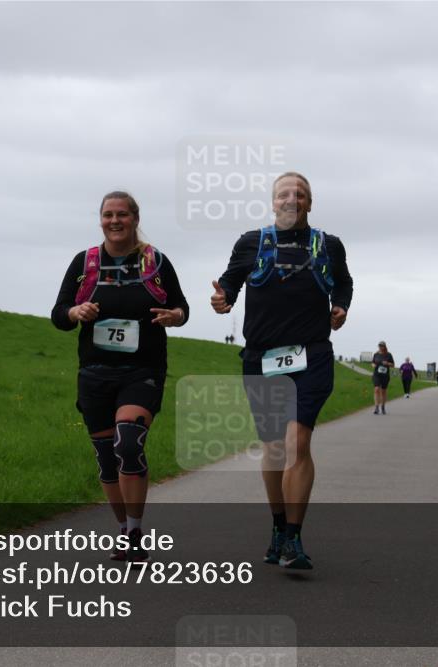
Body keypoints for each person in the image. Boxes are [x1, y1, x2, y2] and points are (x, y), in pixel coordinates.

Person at [211, 171, 353, 570]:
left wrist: (340, 306)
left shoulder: (329, 245)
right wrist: (222, 300)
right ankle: (277, 527)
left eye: (302, 193)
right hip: (262, 359)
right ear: (273, 202)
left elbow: (343, 283)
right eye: (285, 193)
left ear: (310, 202)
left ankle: (293, 537)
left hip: (312, 356)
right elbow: (229, 284)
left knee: (297, 443)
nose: (293, 198)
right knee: (274, 448)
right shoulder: (251, 243)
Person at [52, 191, 189, 565]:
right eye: (108, 215)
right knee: (106, 459)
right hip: (95, 373)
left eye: (122, 215)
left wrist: (174, 317)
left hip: (142, 371)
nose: (115, 221)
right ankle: (124, 531)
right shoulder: (85, 263)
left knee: (128, 443)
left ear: (135, 218)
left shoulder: (155, 262)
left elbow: (181, 307)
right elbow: (58, 313)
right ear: (100, 220)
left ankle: (134, 529)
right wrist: (76, 311)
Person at [371, 341, 395, 414]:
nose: (381, 347)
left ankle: (383, 407)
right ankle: (376, 407)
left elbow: (393, 365)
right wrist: (373, 365)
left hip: (385, 375)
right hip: (376, 374)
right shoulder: (376, 354)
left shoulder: (388, 355)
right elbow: (373, 362)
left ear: (385, 347)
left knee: (383, 391)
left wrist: (387, 363)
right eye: (379, 346)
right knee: (376, 389)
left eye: (382, 346)